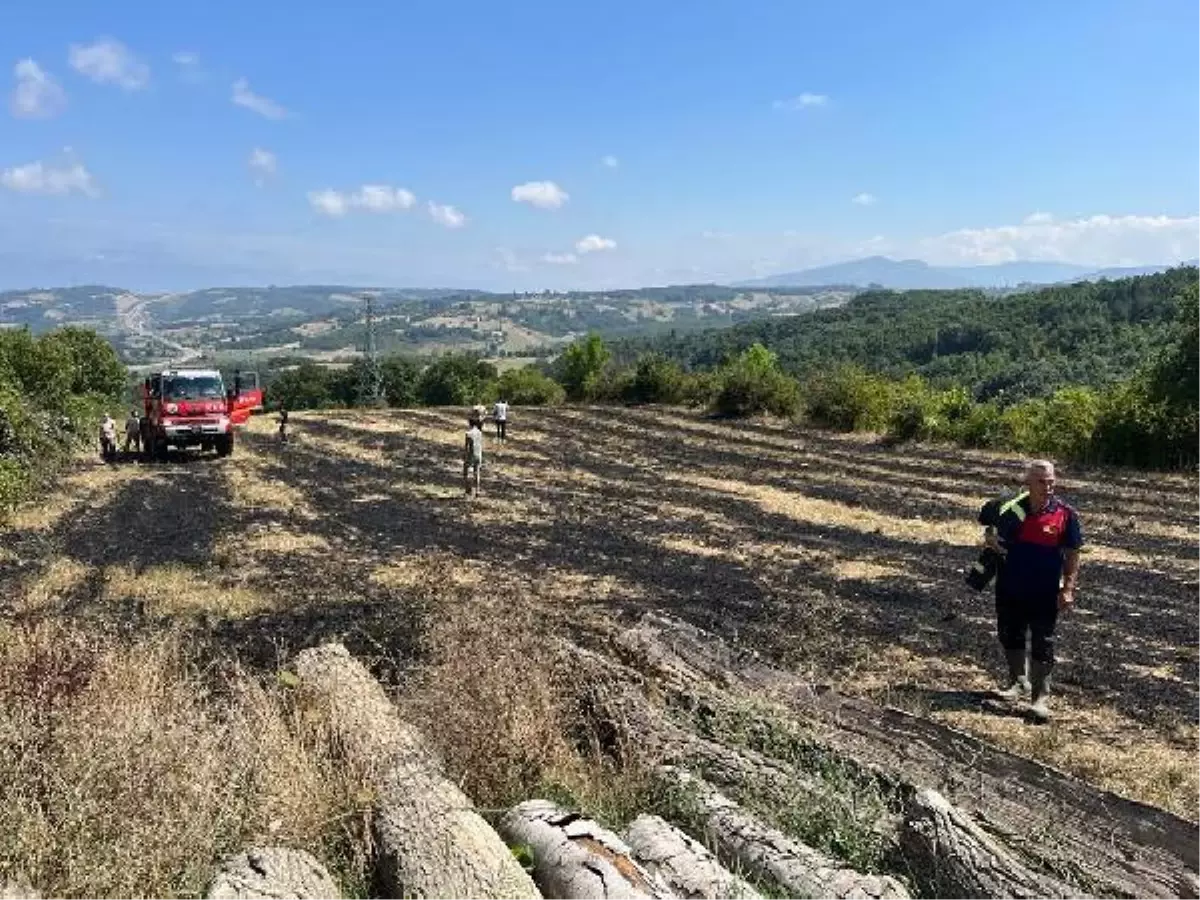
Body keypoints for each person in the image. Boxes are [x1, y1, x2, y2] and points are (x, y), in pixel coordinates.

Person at [984, 459, 1083, 722]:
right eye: (1041, 481)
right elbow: (988, 523)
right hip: (1010, 585)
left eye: (1051, 481)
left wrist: (1068, 588)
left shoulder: (1065, 514)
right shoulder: (1009, 508)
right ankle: (1018, 682)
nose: (1048, 487)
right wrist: (990, 537)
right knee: (1009, 635)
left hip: (1044, 590)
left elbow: (1073, 554)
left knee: (1043, 642)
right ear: (1027, 483)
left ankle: (1040, 698)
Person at [463, 412, 484, 495]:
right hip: (478, 454)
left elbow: (466, 446)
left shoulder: (468, 434)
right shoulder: (480, 433)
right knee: (477, 472)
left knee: (467, 472)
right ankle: (478, 490)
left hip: (471, 454)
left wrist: (464, 455)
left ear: (470, 424)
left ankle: (468, 489)